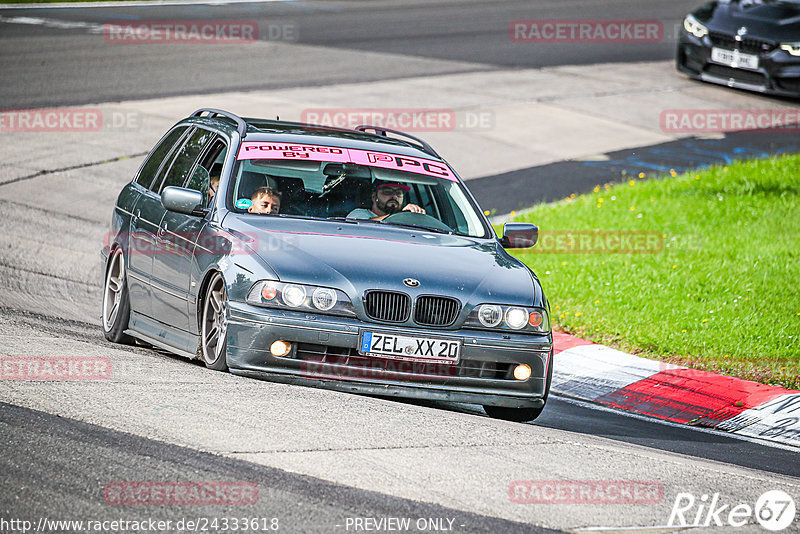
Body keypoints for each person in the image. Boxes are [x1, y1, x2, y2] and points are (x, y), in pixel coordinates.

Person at [347, 181, 425, 220]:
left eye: (398, 193)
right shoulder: (359, 214)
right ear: (374, 196)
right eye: (387, 192)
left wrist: (417, 216)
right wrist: (402, 215)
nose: (394, 196)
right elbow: (362, 226)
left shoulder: (407, 218)